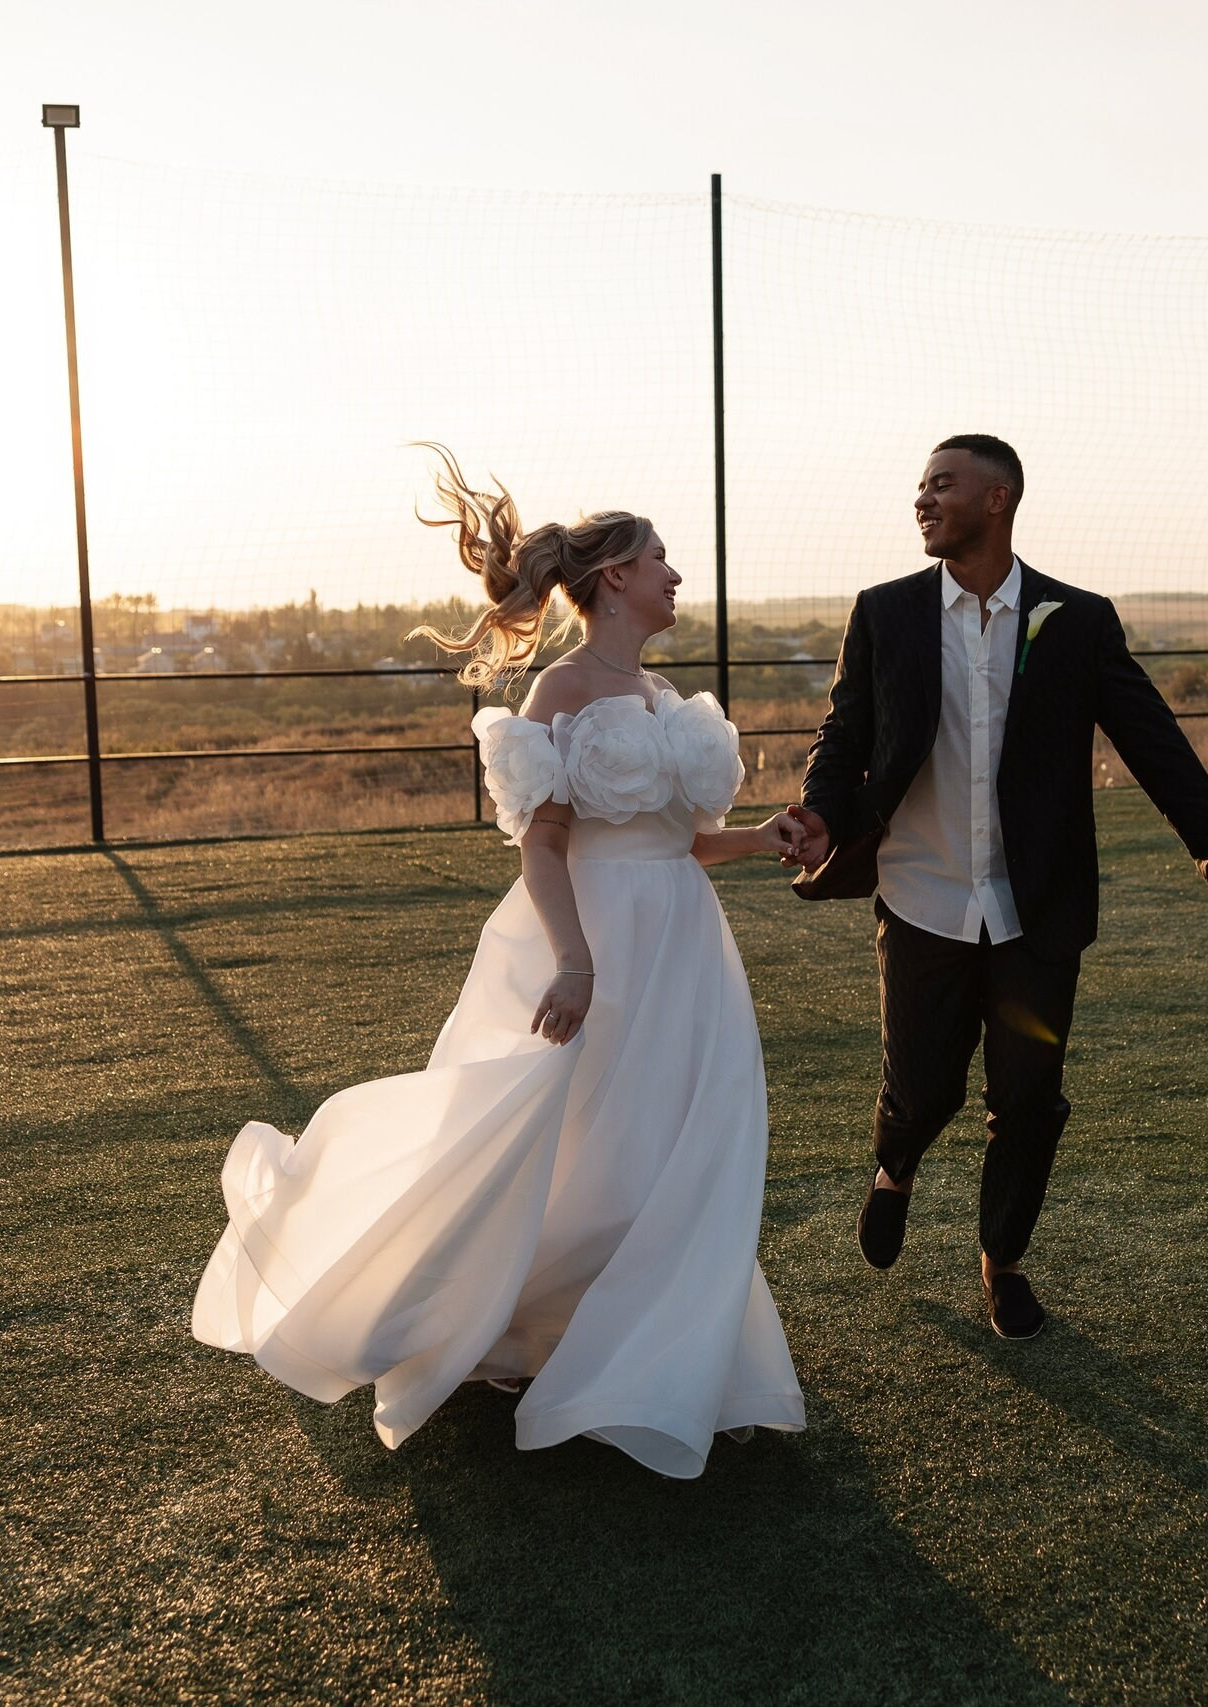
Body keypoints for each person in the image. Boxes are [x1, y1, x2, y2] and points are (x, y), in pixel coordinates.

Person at [191, 445, 810, 1478]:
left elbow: (675, 838)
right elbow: (544, 841)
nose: (675, 576)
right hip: (592, 938)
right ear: (615, 578)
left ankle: (645, 1351)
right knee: (576, 1142)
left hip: (686, 944)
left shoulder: (658, 694)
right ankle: (511, 1324)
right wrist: (574, 964)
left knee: (673, 1142)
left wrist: (761, 840)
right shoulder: (560, 694)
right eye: (660, 559)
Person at [782, 436, 1208, 1341]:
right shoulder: (884, 613)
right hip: (921, 895)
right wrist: (819, 812)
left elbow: (1154, 742)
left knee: (1029, 1099)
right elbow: (842, 738)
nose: (922, 500)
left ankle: (1002, 1263)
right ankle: (896, 1163)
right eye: (920, 487)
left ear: (998, 497)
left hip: (1035, 910)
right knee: (924, 1088)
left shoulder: (1076, 620)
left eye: (941, 484)